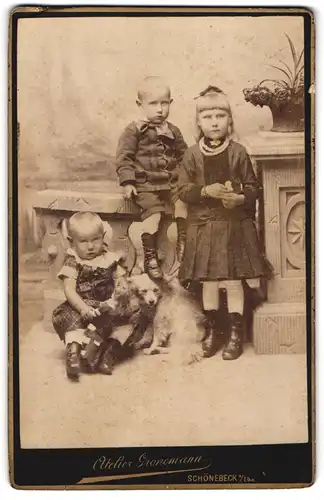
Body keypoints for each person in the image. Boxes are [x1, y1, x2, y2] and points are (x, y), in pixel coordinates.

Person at [178, 86, 272, 361]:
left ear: (230, 120)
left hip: (233, 229)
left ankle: (235, 334)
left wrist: (240, 198)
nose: (215, 122)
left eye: (220, 115)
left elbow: (254, 188)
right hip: (205, 228)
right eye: (208, 117)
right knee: (208, 282)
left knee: (232, 282)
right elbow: (183, 190)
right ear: (198, 122)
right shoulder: (192, 155)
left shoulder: (239, 153)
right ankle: (214, 331)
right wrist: (205, 192)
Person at [116, 76, 188, 280]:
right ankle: (150, 256)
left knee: (183, 206)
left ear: (170, 103)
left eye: (164, 103)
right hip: (146, 185)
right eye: (153, 103)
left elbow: (184, 157)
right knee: (153, 217)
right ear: (140, 105)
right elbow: (124, 158)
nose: (160, 109)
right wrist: (128, 181)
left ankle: (183, 246)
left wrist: (186, 181)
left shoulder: (173, 131)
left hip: (172, 184)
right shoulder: (133, 131)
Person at [52, 212, 126, 381]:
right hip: (81, 306)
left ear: (103, 237)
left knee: (119, 324)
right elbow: (69, 290)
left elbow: (121, 282)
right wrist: (83, 308)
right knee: (69, 318)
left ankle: (104, 355)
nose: (91, 246)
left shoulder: (110, 259)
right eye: (83, 241)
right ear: (72, 241)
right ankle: (74, 351)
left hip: (105, 307)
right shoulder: (73, 261)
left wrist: (115, 299)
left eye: (95, 239)